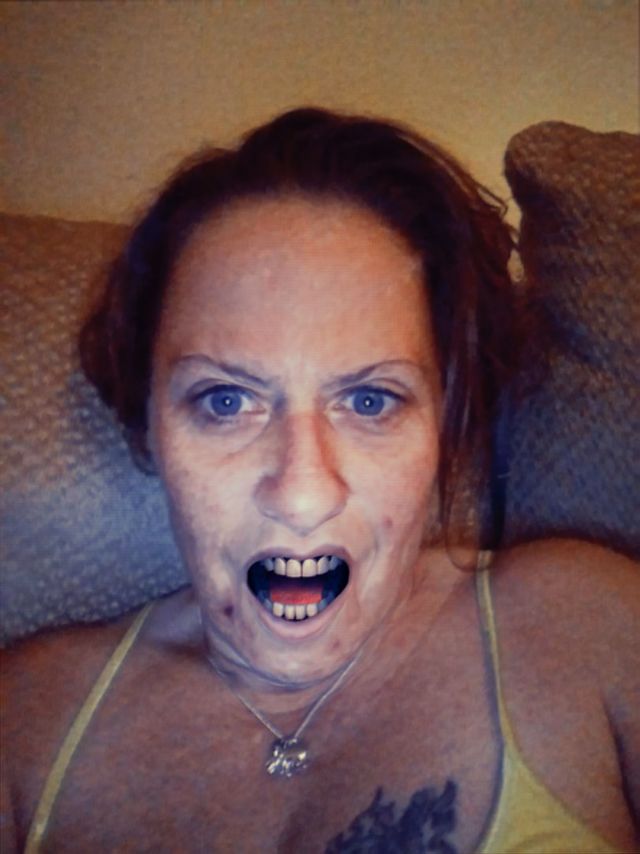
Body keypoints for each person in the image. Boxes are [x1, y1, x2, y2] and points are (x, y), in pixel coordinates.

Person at [1, 107, 638, 854]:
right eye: (225, 401)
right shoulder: (24, 722)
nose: (302, 496)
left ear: (446, 416)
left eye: (370, 401)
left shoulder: (590, 624)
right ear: (148, 420)